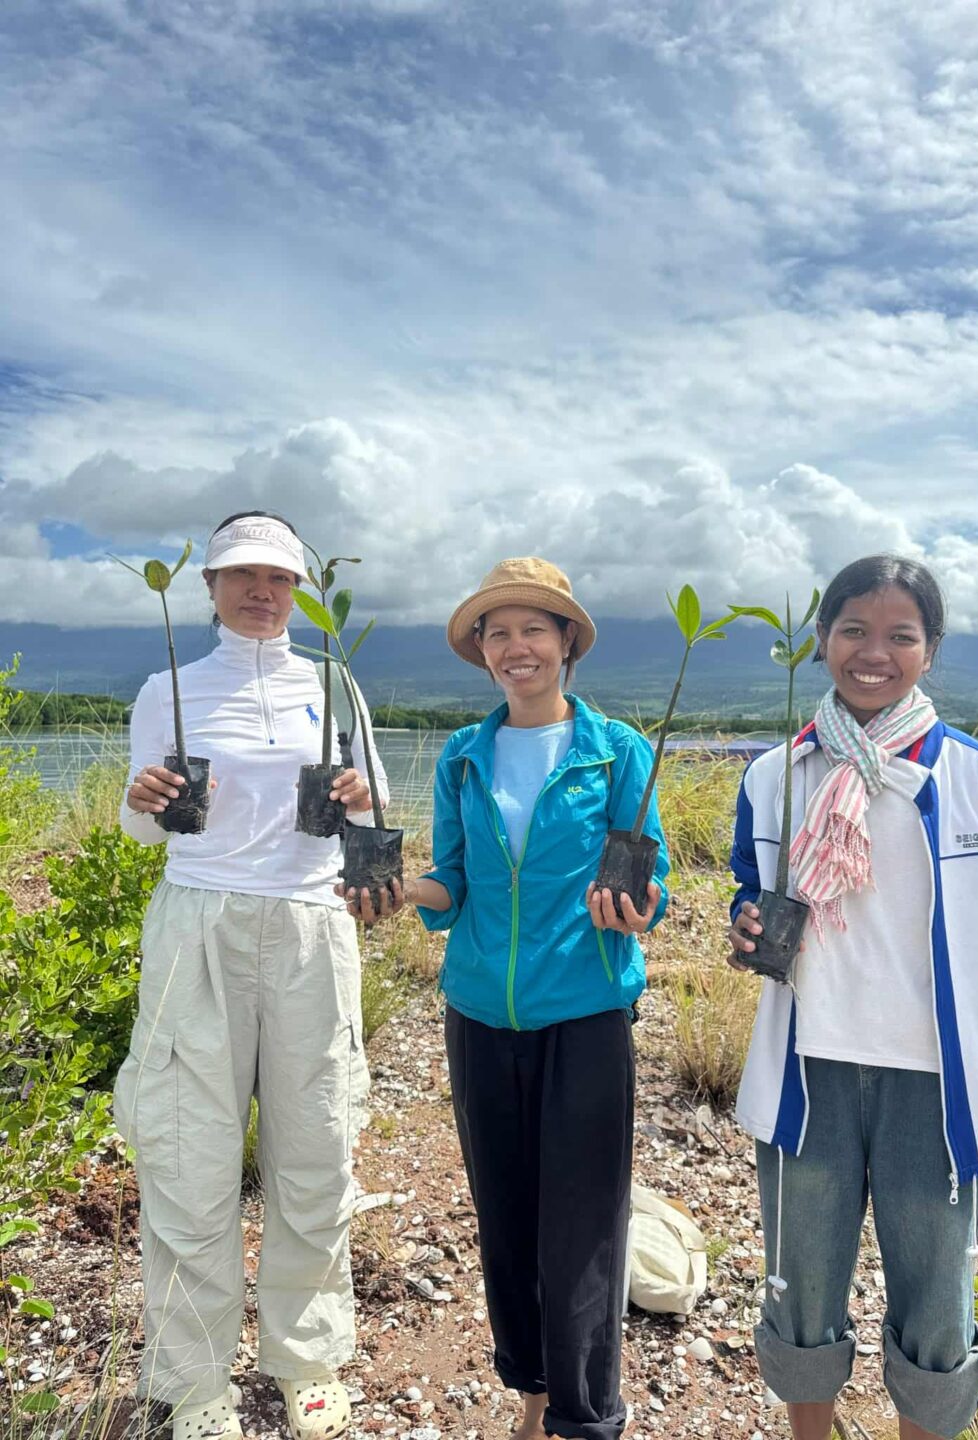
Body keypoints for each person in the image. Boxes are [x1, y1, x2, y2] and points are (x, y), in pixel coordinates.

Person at [728, 554, 978, 1440]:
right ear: (821, 640)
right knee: (800, 1288)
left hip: (934, 1086)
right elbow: (750, 887)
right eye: (854, 630)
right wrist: (746, 925)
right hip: (810, 1074)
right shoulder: (777, 776)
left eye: (900, 636)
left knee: (938, 1298)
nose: (874, 652)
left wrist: (972, 1022)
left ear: (931, 649)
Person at [345, 557, 670, 1440]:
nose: (515, 647)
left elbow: (652, 881)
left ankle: (586, 1417)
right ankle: (530, 1396)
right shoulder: (464, 755)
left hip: (586, 1015)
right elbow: (452, 881)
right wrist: (403, 892)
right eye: (497, 633)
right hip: (480, 1016)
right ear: (482, 650)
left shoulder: (617, 751)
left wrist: (636, 909)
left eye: (534, 629)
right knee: (506, 1213)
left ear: (567, 642)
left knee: (585, 1224)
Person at [113, 511, 389, 1440]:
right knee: (187, 1147)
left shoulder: (335, 684)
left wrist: (360, 796)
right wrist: (141, 800)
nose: (261, 592)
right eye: (242, 575)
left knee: (316, 1145)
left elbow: (374, 815)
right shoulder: (167, 689)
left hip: (312, 924)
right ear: (210, 586)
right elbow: (143, 826)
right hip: (199, 921)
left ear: (301, 590)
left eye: (278, 578)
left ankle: (306, 1356)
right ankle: (194, 1378)